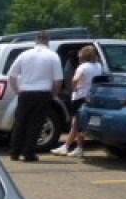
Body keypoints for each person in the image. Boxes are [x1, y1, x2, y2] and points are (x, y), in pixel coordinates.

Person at [7, 31, 63, 162]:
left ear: (36, 41)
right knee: (35, 124)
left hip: (25, 92)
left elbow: (12, 76)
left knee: (20, 123)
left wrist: (17, 91)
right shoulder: (53, 56)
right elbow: (58, 80)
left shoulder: (24, 54)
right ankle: (28, 153)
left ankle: (14, 152)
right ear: (47, 41)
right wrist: (53, 95)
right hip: (43, 93)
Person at [51, 45, 103, 158]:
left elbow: (75, 79)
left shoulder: (82, 67)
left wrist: (74, 88)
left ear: (84, 56)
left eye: (79, 55)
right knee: (77, 123)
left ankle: (68, 147)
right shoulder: (98, 66)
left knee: (76, 123)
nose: (78, 57)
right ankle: (75, 147)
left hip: (79, 97)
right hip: (90, 96)